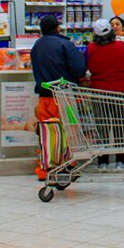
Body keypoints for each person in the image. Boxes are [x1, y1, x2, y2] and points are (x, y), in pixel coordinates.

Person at [30, 14, 87, 179]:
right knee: (68, 132)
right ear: (58, 27)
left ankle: (46, 169)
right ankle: (68, 166)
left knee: (48, 134)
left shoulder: (36, 46)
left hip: (44, 97)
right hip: (64, 98)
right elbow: (79, 69)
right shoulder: (65, 44)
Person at [85, 18, 124, 169]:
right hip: (120, 90)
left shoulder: (90, 49)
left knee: (102, 126)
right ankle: (120, 160)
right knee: (120, 124)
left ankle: (103, 160)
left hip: (99, 91)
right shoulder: (122, 46)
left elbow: (83, 64)